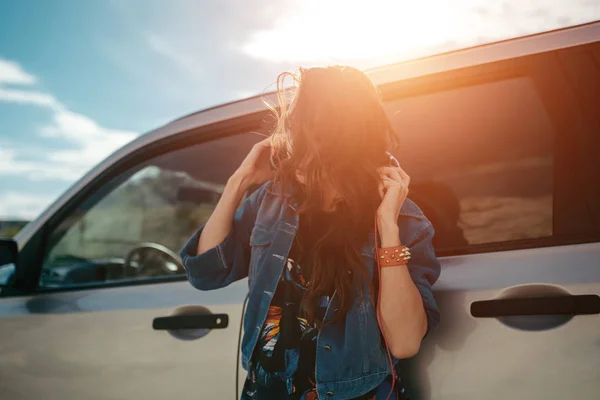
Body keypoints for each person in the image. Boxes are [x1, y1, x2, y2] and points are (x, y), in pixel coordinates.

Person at [180, 66, 441, 400]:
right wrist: (239, 182)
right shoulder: (272, 200)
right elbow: (206, 273)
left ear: (343, 139)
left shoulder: (402, 217)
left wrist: (387, 227)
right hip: (266, 390)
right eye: (291, 126)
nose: (290, 140)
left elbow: (404, 342)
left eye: (304, 130)